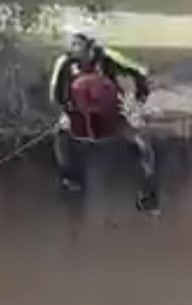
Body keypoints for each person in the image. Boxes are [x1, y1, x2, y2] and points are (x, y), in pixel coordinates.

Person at [49, 29, 159, 210]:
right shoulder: (65, 62)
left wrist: (139, 99)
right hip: (78, 113)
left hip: (110, 113)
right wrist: (66, 109)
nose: (74, 49)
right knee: (60, 133)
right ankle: (70, 177)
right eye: (72, 45)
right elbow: (54, 94)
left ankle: (148, 189)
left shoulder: (106, 57)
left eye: (78, 45)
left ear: (90, 45)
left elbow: (139, 71)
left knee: (141, 142)